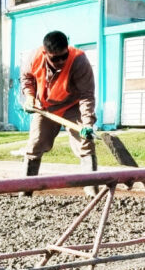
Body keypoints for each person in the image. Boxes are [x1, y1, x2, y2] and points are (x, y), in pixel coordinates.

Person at [20, 30, 98, 196]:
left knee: (85, 142)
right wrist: (29, 97)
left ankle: (92, 192)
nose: (61, 61)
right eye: (55, 58)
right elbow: (26, 79)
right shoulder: (34, 57)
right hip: (45, 107)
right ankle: (25, 192)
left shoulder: (79, 60)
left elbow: (87, 95)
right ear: (45, 53)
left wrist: (87, 123)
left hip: (72, 106)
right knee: (35, 144)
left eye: (64, 56)